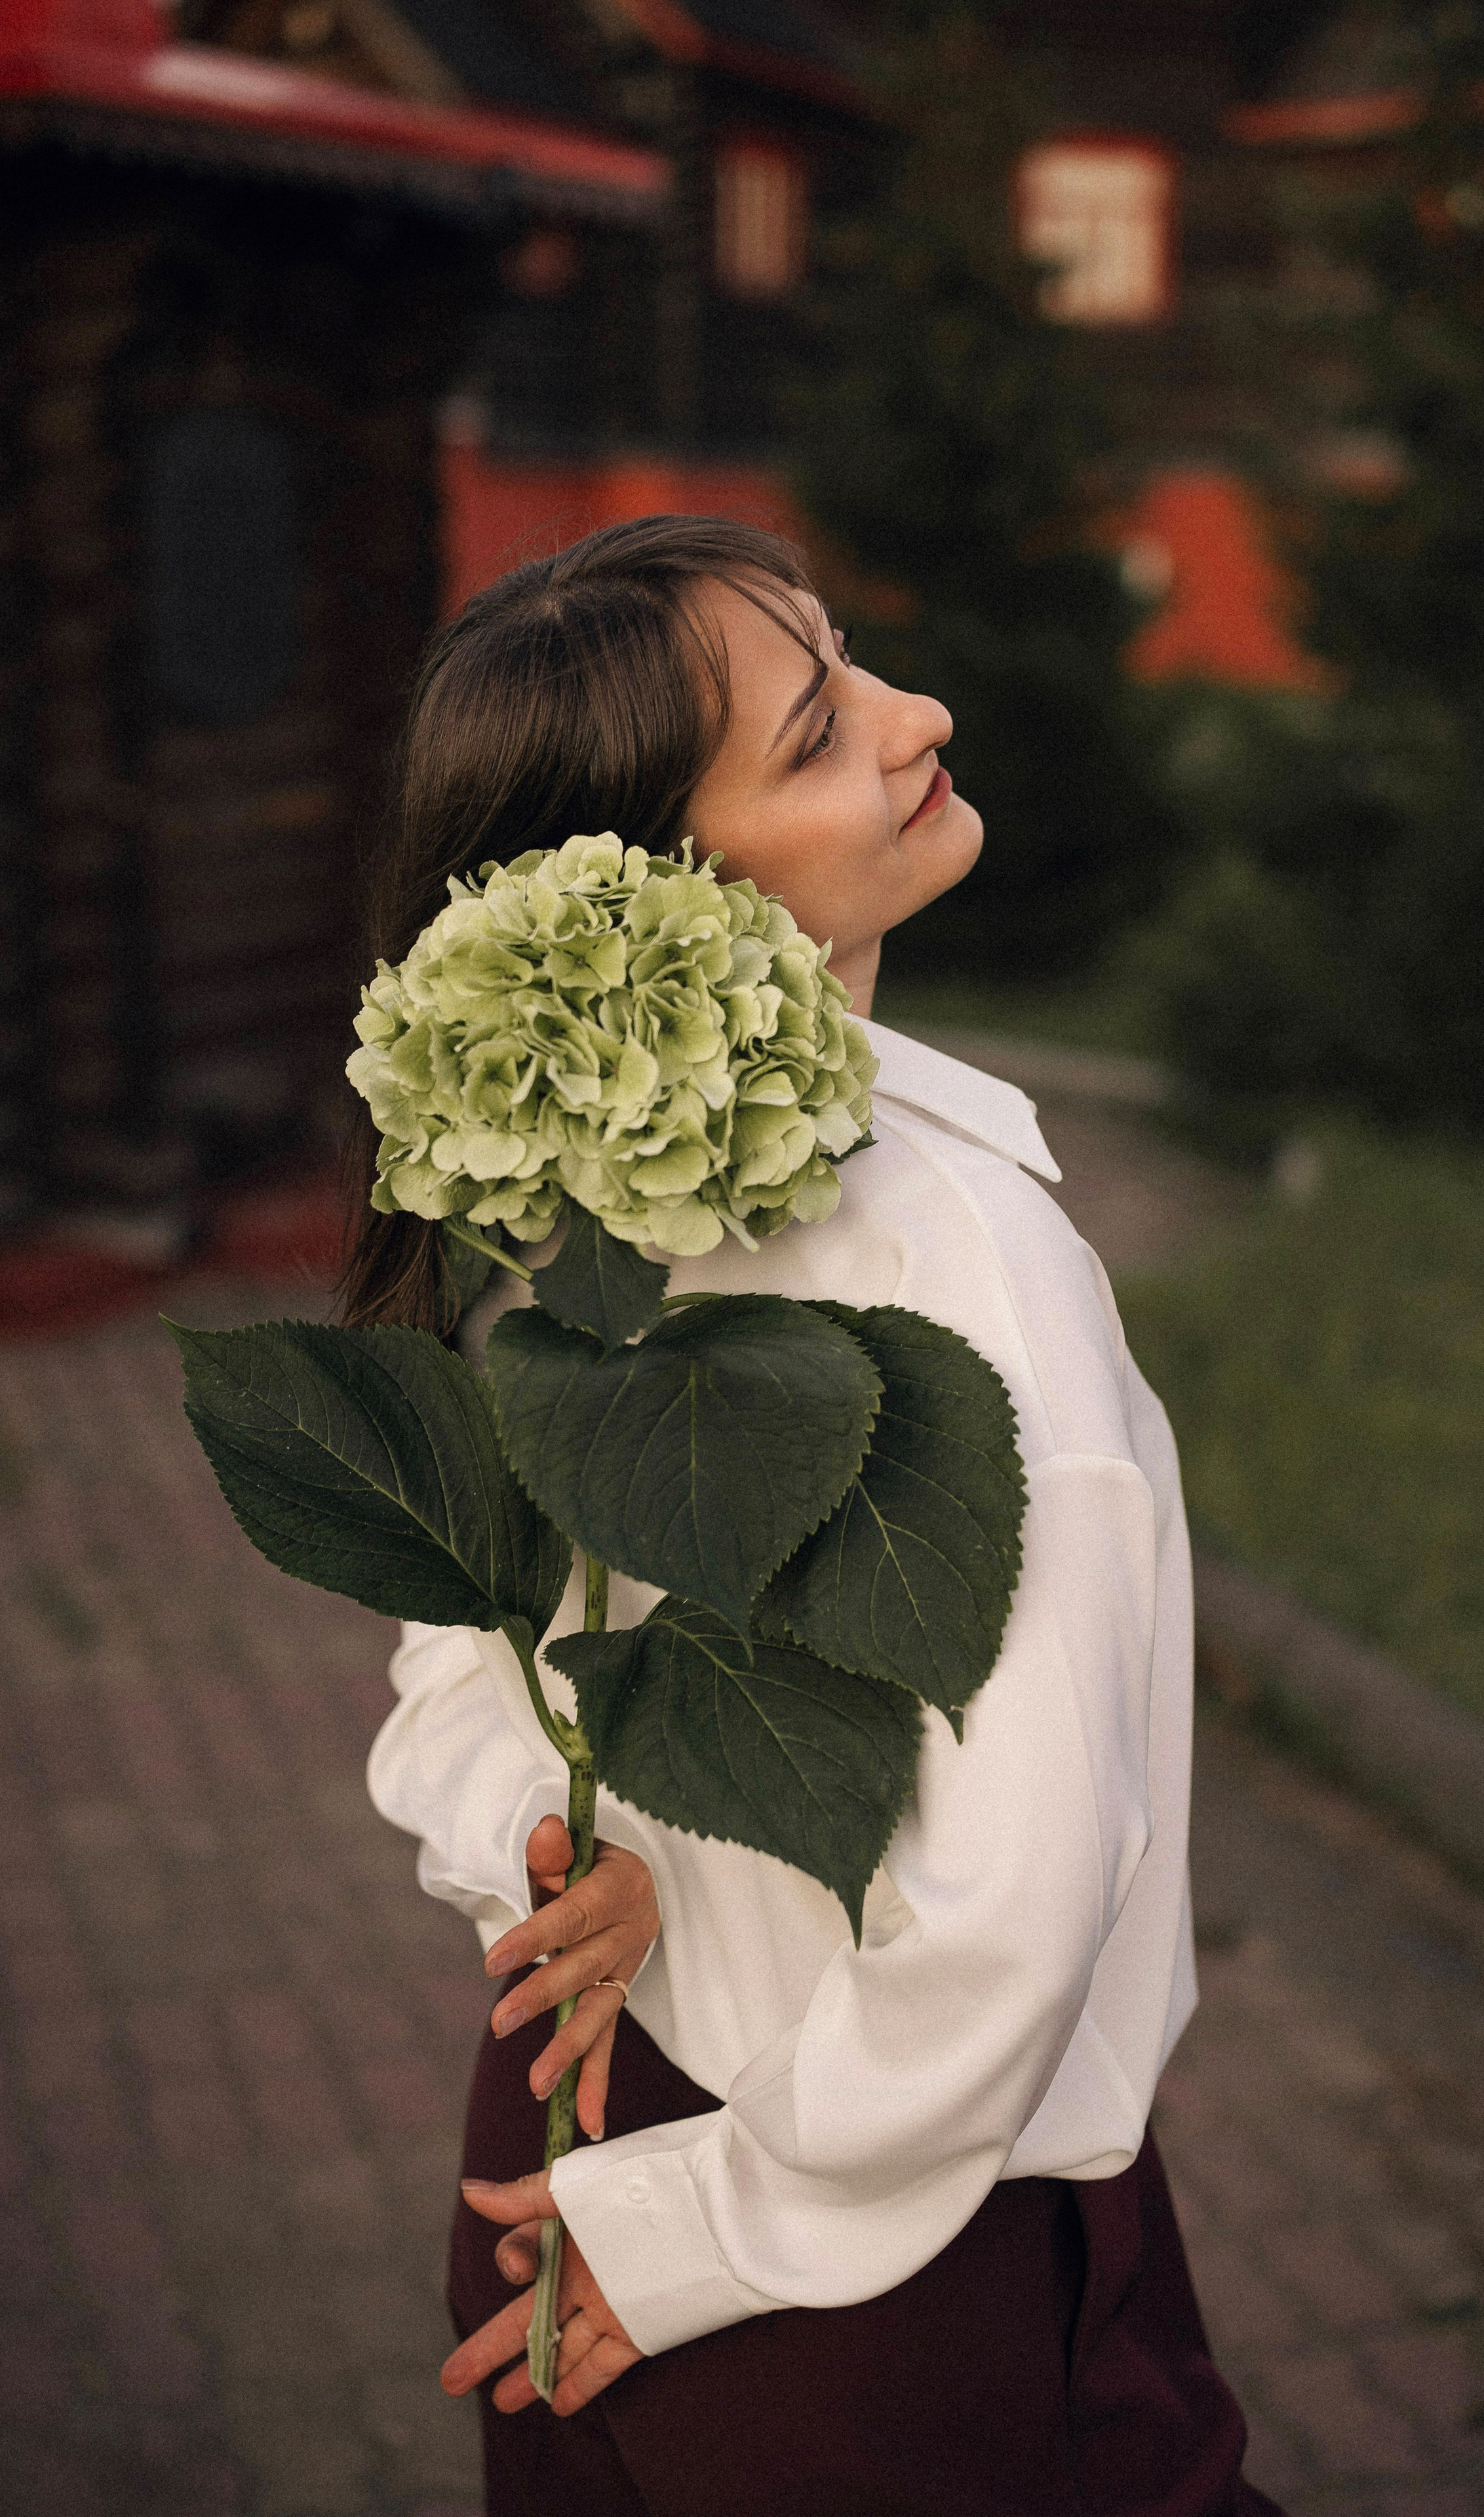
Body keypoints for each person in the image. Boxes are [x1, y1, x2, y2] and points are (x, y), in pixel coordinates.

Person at [345, 515, 1285, 2517]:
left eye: (850, 662)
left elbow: (461, 1690)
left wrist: (563, 1913)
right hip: (851, 2273)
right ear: (659, 893)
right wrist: (547, 1860)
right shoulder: (702, 1235)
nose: (917, 717)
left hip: (655, 2168)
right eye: (818, 730)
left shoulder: (639, 1211)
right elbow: (1014, 1909)